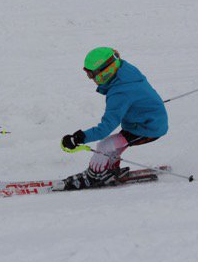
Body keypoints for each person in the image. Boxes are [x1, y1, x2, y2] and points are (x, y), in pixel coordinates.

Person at [60, 47, 168, 189]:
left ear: (105, 72)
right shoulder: (124, 71)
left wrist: (78, 138)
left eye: (92, 75)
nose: (91, 79)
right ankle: (108, 171)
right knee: (112, 146)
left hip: (148, 127)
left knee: (104, 146)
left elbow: (105, 128)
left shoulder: (120, 93)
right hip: (144, 119)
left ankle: (93, 176)